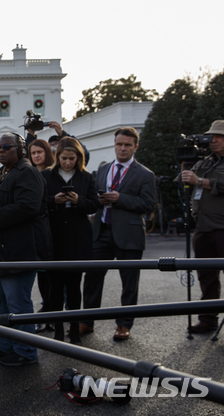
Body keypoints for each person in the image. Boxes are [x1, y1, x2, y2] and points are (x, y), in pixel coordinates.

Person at [0, 133, 49, 367]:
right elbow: (8, 202)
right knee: (1, 303)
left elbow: (28, 207)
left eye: (6, 147)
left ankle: (26, 352)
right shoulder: (3, 174)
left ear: (21, 150)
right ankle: (6, 345)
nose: (0, 151)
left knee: (18, 304)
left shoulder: (27, 172)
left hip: (18, 250)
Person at [81, 127, 156, 341]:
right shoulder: (103, 170)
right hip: (101, 231)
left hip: (129, 235)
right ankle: (87, 321)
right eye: (119, 144)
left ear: (135, 147)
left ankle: (124, 325)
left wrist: (119, 198)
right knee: (92, 278)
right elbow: (93, 197)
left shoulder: (144, 174)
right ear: (115, 145)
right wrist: (100, 199)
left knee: (129, 283)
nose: (122, 148)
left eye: (127, 145)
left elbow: (148, 204)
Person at [41, 137, 100, 345]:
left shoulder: (86, 177)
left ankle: (74, 330)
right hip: (54, 237)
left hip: (77, 237)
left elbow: (94, 204)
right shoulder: (46, 175)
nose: (67, 162)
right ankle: (57, 330)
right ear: (58, 157)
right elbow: (38, 202)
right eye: (64, 158)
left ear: (79, 158)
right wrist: (53, 201)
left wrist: (78, 201)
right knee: (54, 287)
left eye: (72, 159)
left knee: (74, 287)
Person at [180, 120, 224, 338]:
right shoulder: (206, 161)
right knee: (206, 277)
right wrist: (183, 165)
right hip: (203, 227)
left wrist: (200, 181)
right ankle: (207, 319)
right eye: (212, 136)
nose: (214, 140)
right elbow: (185, 183)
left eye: (220, 136)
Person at [28, 138, 56, 333]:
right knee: (42, 275)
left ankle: (52, 312)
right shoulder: (30, 173)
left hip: (53, 228)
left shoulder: (53, 173)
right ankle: (46, 310)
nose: (36, 156)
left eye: (40, 152)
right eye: (33, 153)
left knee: (52, 277)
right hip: (36, 231)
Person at [26, 120, 90, 165]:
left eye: (56, 142)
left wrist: (63, 134)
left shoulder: (65, 164)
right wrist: (31, 135)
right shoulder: (40, 165)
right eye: (51, 143)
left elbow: (84, 154)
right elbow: (27, 156)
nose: (53, 143)